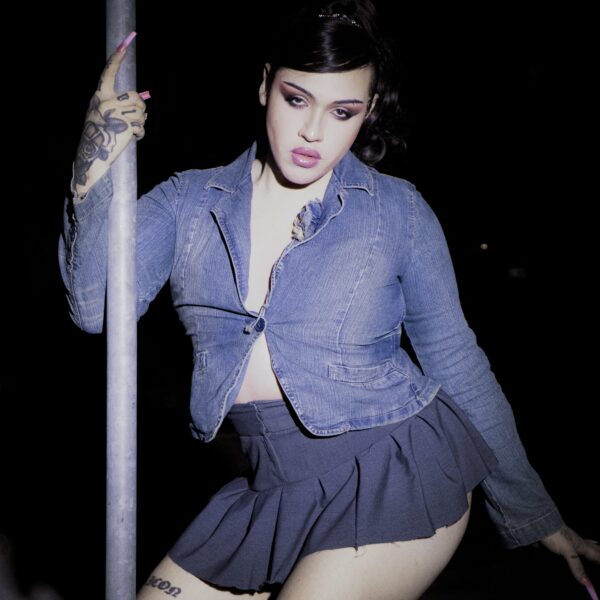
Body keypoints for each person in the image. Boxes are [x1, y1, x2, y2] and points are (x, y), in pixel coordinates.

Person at [59, 1, 599, 598]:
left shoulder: (397, 211)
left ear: (368, 111)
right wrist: (96, 155)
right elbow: (96, 308)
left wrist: (533, 513)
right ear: (265, 85)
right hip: (272, 488)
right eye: (297, 99)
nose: (314, 131)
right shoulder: (188, 201)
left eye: (343, 111)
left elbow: (457, 362)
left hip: (396, 470)